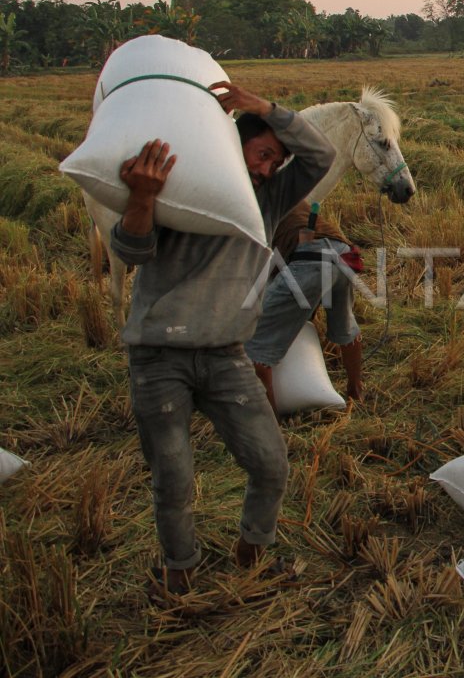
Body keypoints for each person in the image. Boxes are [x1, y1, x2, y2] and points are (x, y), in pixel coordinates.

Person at [109, 81, 335, 599]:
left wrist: (267, 110)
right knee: (174, 478)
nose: (265, 168)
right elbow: (132, 251)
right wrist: (143, 197)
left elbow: (321, 153)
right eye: (261, 155)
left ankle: (251, 556)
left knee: (270, 462)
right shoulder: (183, 192)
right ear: (231, 145)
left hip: (226, 355)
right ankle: (179, 576)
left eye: (274, 161)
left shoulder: (269, 199)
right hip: (158, 356)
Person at [244, 202, 364, 412]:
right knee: (346, 326)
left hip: (308, 259)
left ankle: (271, 425)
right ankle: (356, 391)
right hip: (343, 253)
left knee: (255, 344)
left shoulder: (249, 204)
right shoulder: (290, 193)